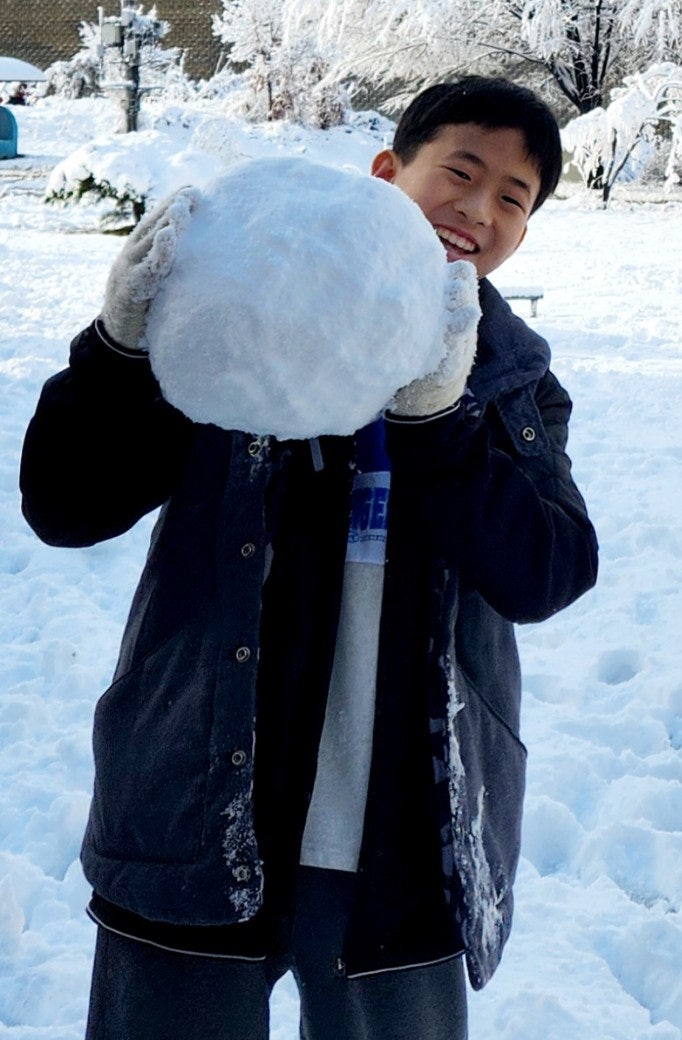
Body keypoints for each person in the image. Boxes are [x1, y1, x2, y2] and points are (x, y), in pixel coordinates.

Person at [19, 75, 598, 1040]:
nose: (477, 210)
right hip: (196, 816)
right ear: (385, 172)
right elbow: (67, 506)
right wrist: (119, 352)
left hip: (405, 844)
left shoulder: (510, 383)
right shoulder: (241, 326)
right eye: (458, 173)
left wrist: (439, 427)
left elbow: (546, 572)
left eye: (512, 198)